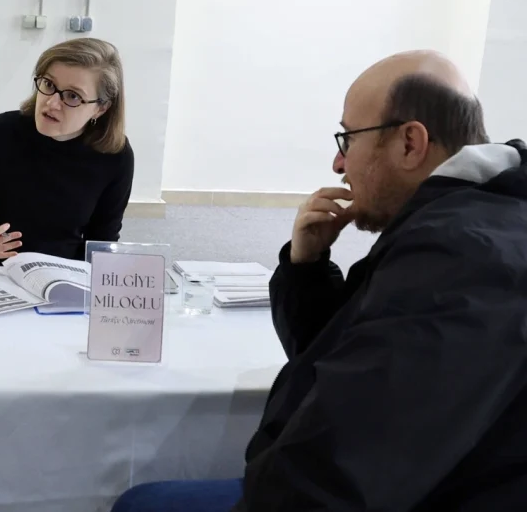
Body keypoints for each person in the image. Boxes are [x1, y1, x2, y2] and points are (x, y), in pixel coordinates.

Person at [113, 50, 527, 511]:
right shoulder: (472, 220)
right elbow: (336, 357)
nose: (337, 163)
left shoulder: (460, 255)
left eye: (348, 138)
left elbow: (338, 474)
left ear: (410, 143)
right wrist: (306, 267)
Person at [0, 37, 134, 265]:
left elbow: (101, 245)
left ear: (101, 108)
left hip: (64, 278)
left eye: (72, 96)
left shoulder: (116, 156)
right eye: (49, 84)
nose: (51, 103)